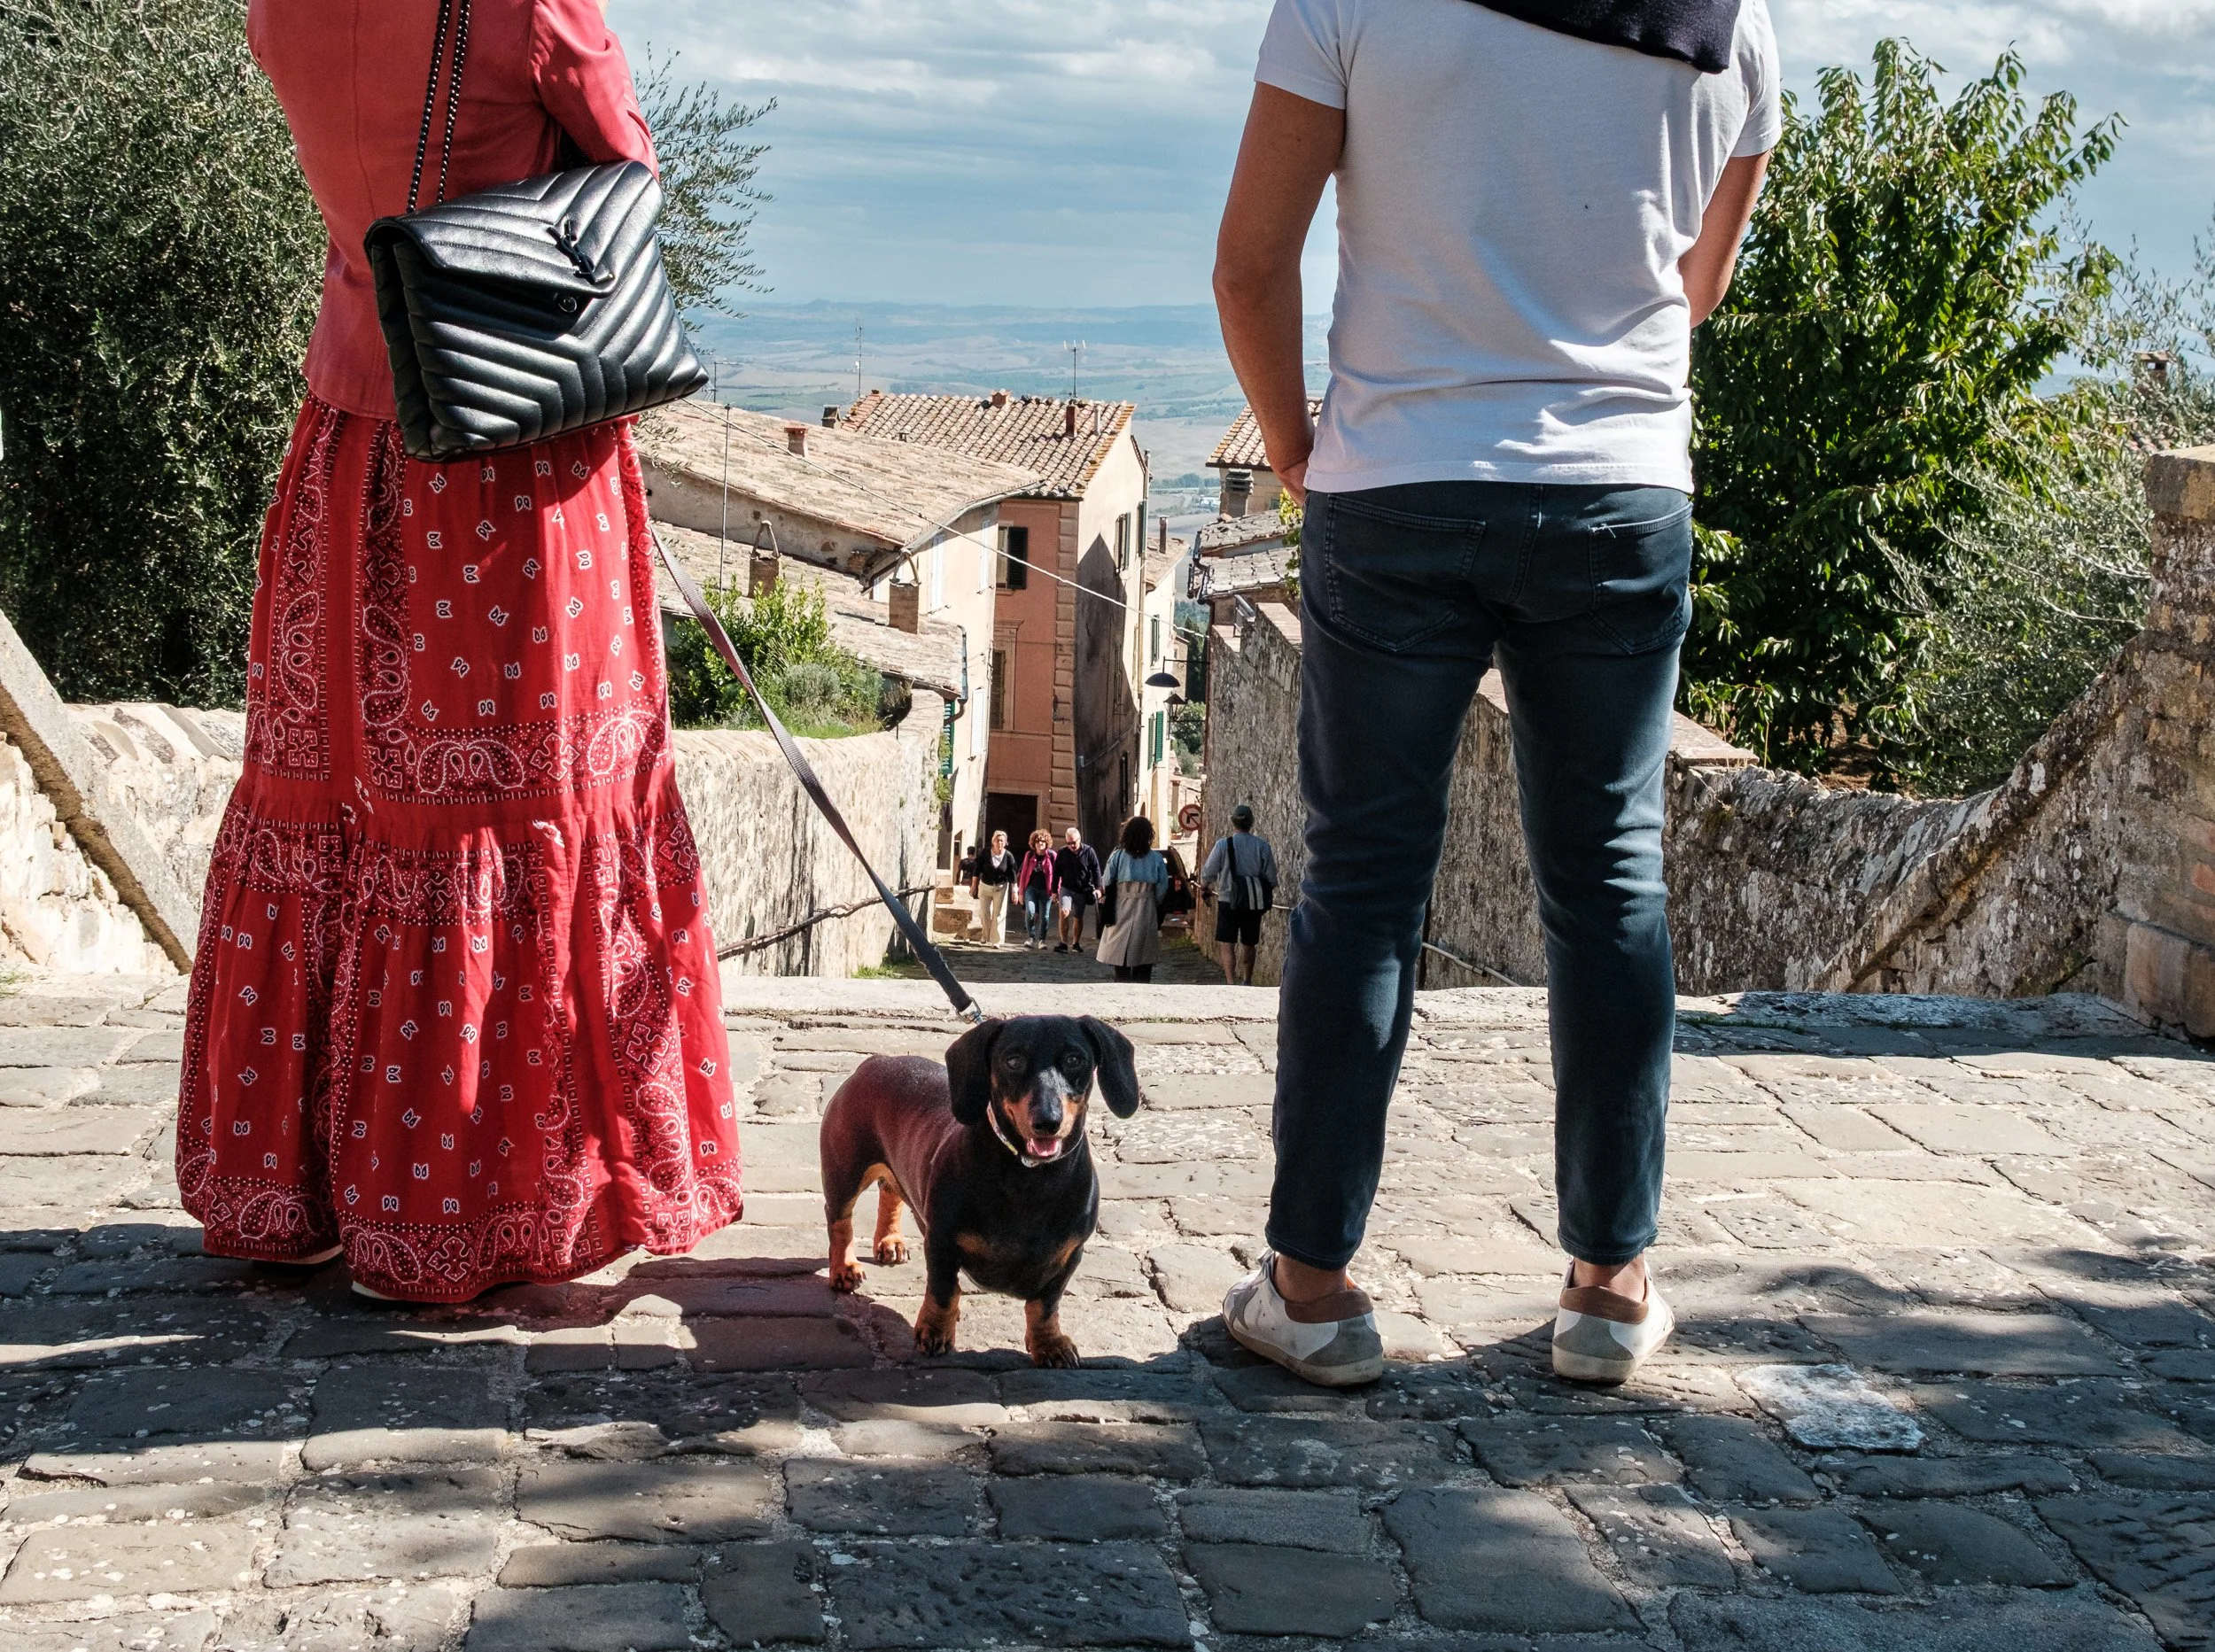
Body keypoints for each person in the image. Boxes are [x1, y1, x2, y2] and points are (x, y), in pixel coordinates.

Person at [1212, 0, 1778, 1386]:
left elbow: (1249, 266)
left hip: (1397, 483)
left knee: (1362, 883)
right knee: (1612, 882)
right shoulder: (1736, 18)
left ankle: (1312, 1287)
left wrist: (1294, 446)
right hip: (1618, 491)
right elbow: (1698, 285)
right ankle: (1609, 1287)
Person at [176, 0, 742, 1304]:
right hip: (511, 457)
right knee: (510, 799)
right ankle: (454, 1200)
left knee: (344, 799)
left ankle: (305, 1192)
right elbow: (629, 169)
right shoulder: (529, 5)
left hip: (350, 449)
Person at [1201, 803, 1278, 986]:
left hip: (1228, 900)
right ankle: (1247, 980)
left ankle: (1230, 982)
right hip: (1252, 902)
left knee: (1227, 943)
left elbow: (1209, 872)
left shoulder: (1223, 845)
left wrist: (1205, 886)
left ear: (1232, 822)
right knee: (1249, 943)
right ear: (1251, 823)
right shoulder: (1262, 846)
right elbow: (1271, 878)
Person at [1094, 816, 1171, 982]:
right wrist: (1154, 902)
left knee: (1119, 947)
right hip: (1146, 906)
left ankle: (1122, 980)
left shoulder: (1118, 856)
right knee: (1143, 949)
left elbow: (1106, 880)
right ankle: (1141, 981)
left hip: (1121, 905)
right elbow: (1162, 886)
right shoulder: (1156, 859)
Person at [1052, 826, 1101, 954]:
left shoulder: (1089, 851)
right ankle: (1063, 943)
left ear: (1079, 839)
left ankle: (1076, 943)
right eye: (1069, 843)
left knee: (1078, 917)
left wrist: (1098, 888)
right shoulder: (1062, 852)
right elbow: (1056, 873)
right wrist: (1054, 891)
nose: (1072, 846)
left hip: (1082, 889)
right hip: (1066, 888)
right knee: (1064, 912)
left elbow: (1096, 870)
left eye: (1074, 842)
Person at [969, 829, 1017, 946]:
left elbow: (1013, 875)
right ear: (993, 841)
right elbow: (977, 869)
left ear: (1005, 842)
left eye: (1002, 841)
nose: (1000, 843)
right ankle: (985, 935)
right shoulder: (985, 853)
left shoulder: (1008, 856)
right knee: (984, 913)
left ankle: (996, 940)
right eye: (997, 840)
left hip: (1000, 887)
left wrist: (1014, 891)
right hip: (985, 887)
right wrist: (974, 885)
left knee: (998, 914)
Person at [1016, 828, 1060, 950]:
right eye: (1037, 841)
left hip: (1047, 890)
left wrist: (1056, 891)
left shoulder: (1052, 855)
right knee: (1030, 911)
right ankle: (1031, 937)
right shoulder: (1029, 855)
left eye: (1043, 841)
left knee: (1045, 916)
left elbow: (1058, 875)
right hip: (1031, 888)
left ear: (1047, 843)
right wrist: (1021, 892)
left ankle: (1042, 940)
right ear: (1034, 843)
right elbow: (1024, 874)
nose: (1040, 843)